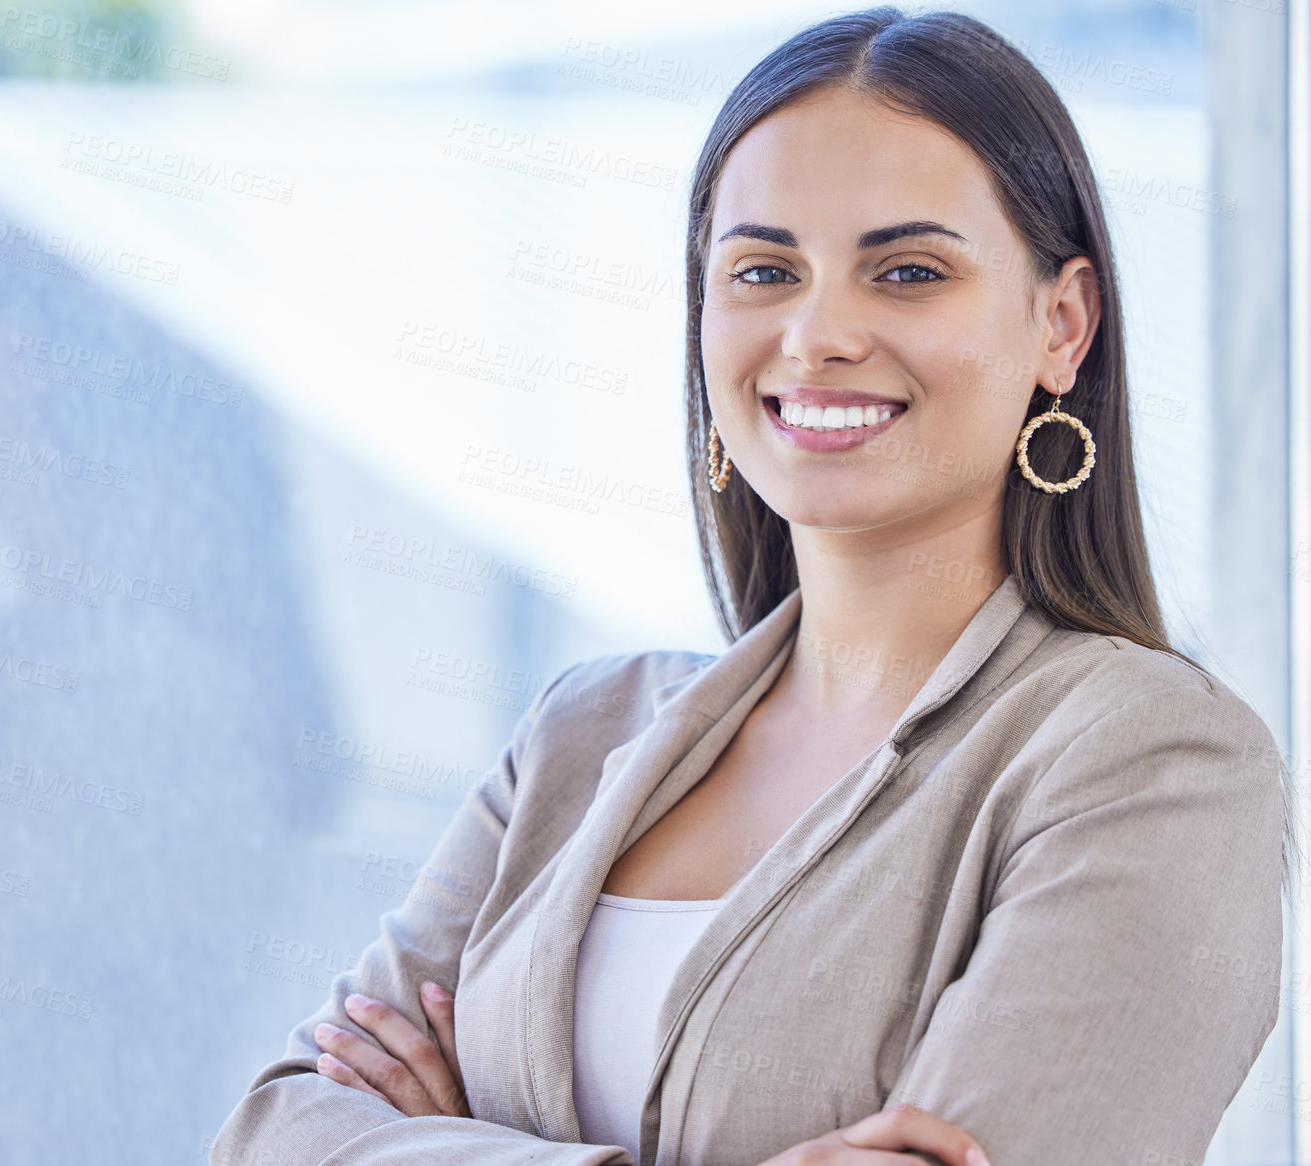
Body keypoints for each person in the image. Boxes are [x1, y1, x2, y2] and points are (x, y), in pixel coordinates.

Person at [209, 8, 1296, 1165]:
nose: (817, 333)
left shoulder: (1151, 759)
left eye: (909, 270)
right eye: (764, 270)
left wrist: (450, 1140)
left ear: (1061, 325)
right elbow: (272, 1129)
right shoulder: (580, 736)